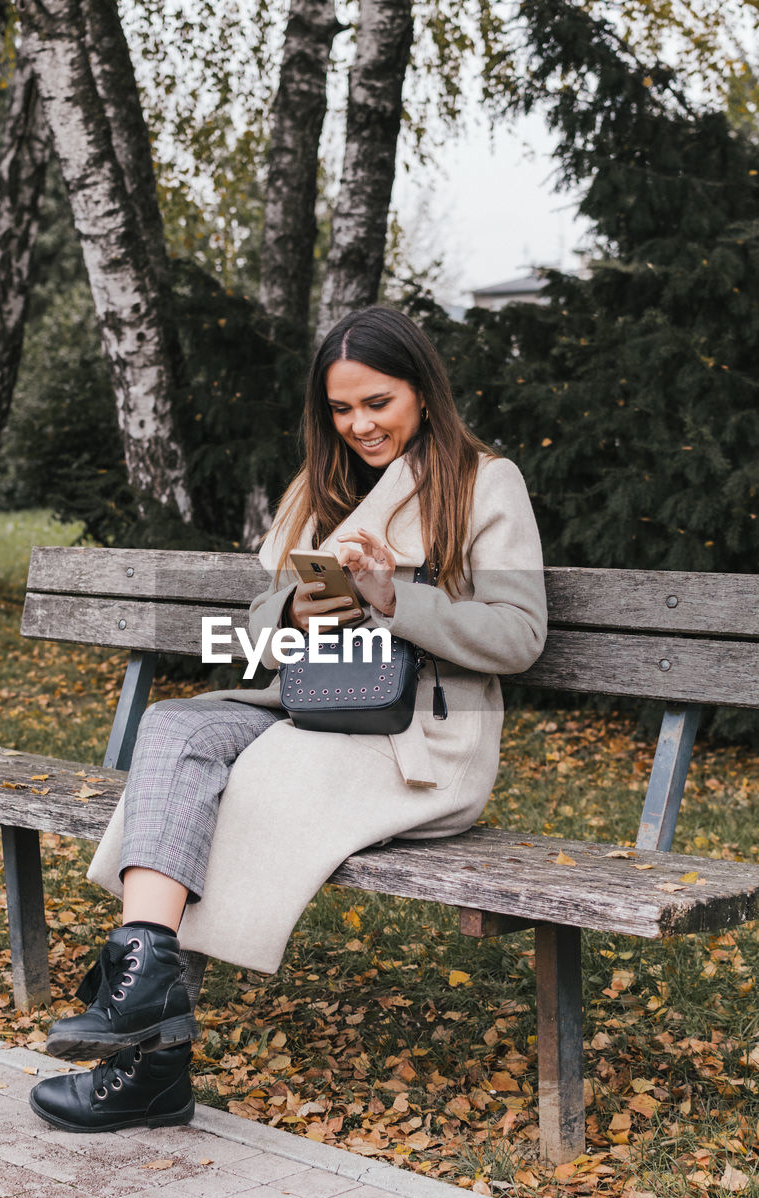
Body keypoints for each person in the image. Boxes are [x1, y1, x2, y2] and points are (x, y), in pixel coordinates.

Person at [29, 305, 547, 1133]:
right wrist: (298, 610)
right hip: (306, 708)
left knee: (244, 785)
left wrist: (394, 598)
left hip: (420, 739)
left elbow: (519, 636)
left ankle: (144, 1068)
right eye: (342, 410)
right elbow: (254, 628)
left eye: (377, 403)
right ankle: (144, 990)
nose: (360, 426)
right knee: (176, 730)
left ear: (421, 389)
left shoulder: (485, 482)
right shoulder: (318, 486)